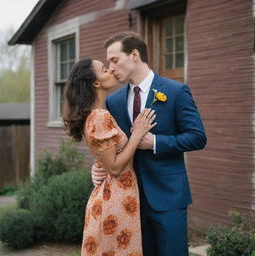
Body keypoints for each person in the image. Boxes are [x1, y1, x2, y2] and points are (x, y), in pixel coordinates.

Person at [91, 31, 207, 256]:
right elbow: (112, 144)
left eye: (115, 60)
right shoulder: (113, 101)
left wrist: (155, 142)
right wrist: (97, 167)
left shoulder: (175, 91)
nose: (111, 67)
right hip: (128, 201)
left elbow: (197, 137)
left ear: (134, 55)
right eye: (108, 63)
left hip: (168, 198)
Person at [63, 58, 156, 256]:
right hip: (114, 198)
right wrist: (137, 134)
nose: (111, 71)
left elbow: (105, 158)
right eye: (105, 70)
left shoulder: (100, 112)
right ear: (96, 83)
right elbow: (114, 168)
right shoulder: (99, 116)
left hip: (116, 194)